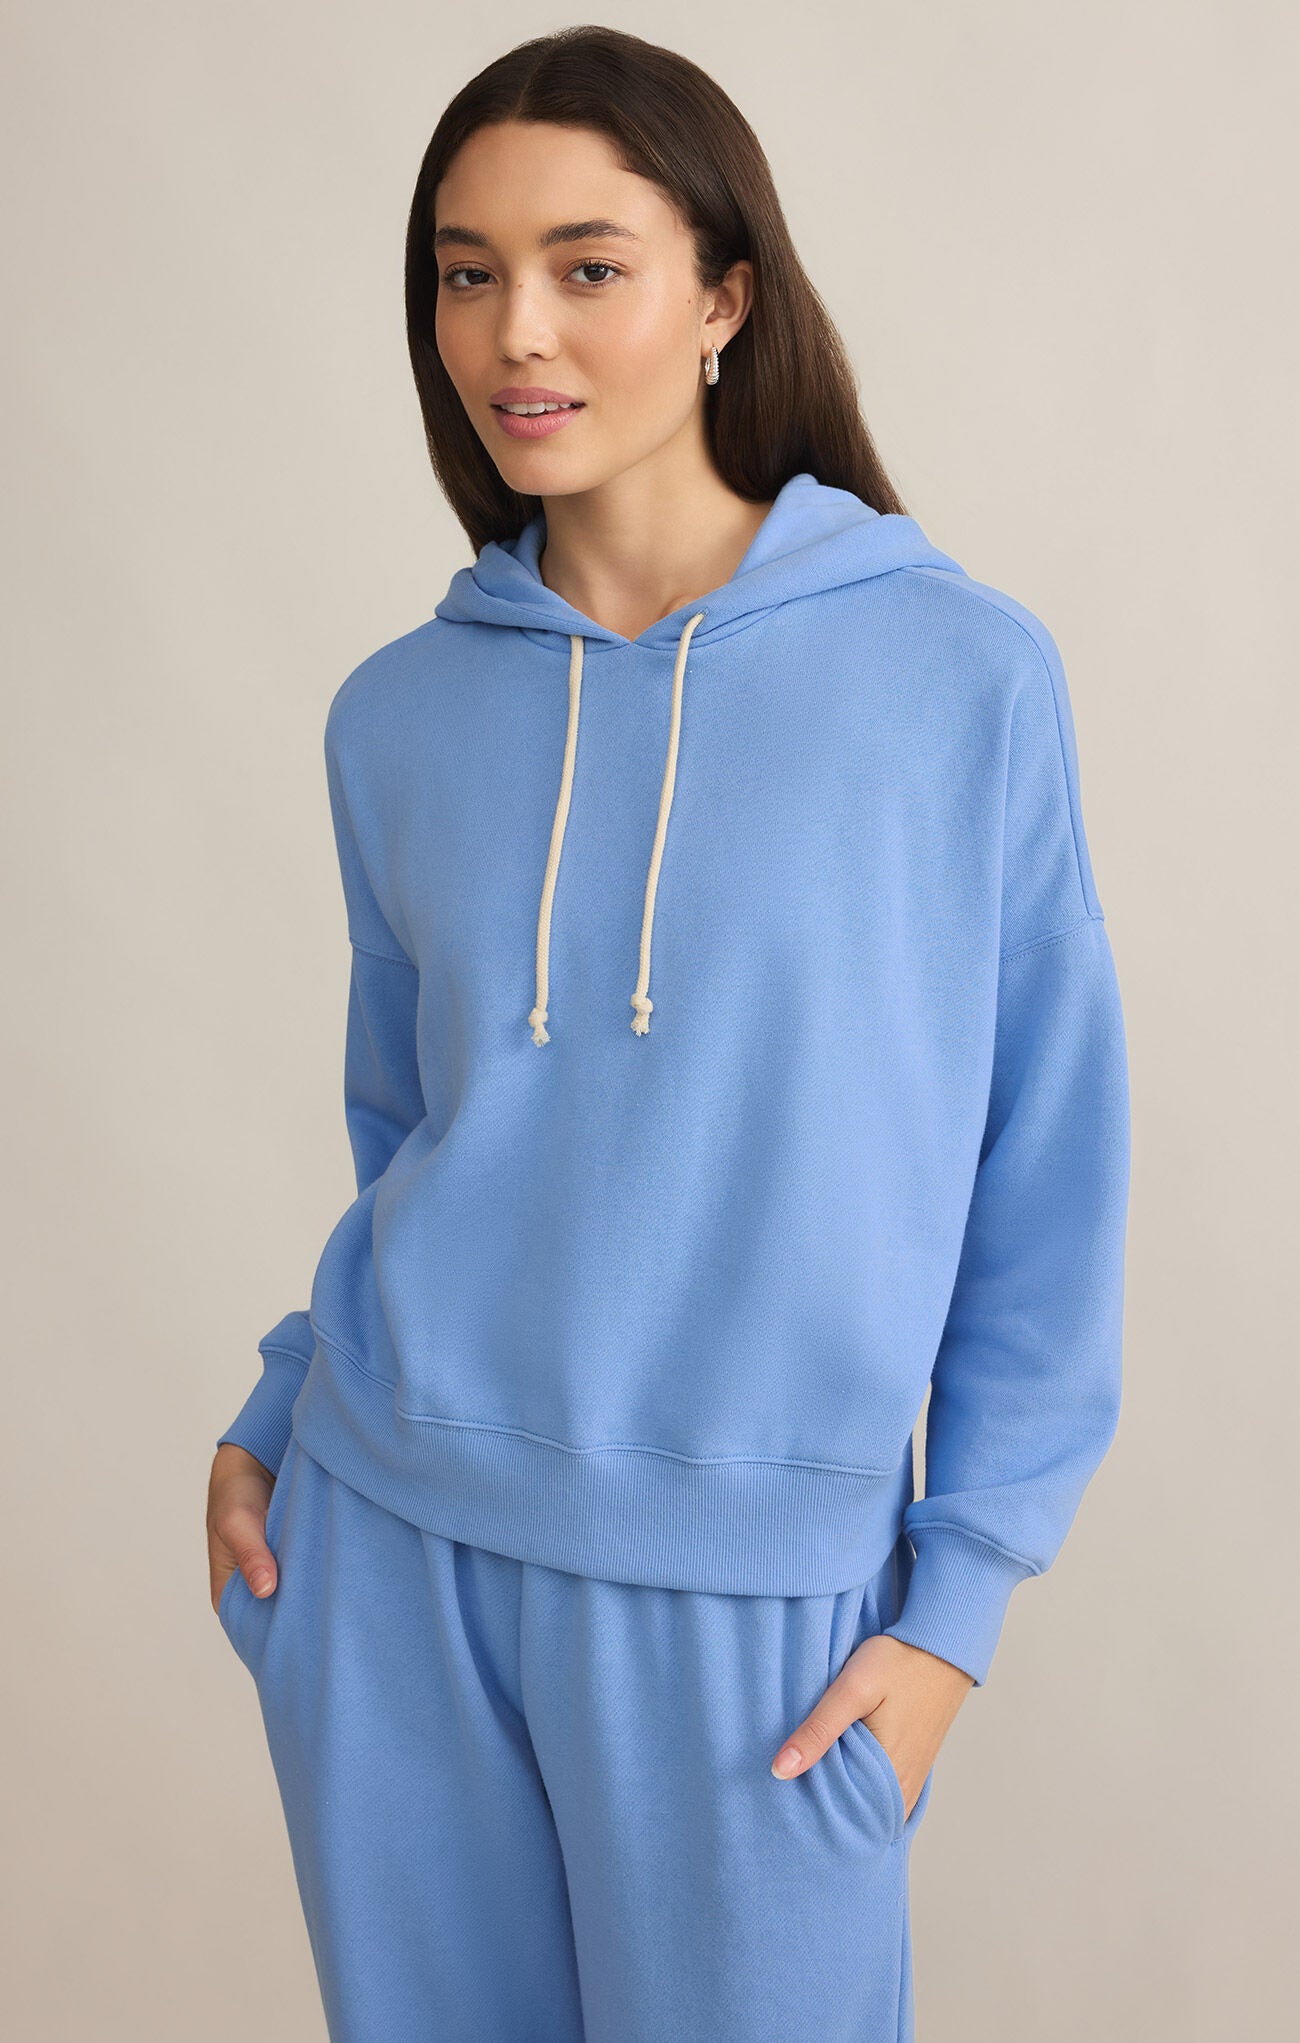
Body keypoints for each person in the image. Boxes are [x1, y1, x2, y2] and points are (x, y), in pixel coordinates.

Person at [206, 26, 1131, 2043]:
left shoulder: (954, 678)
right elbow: (416, 1128)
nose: (513, 332)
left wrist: (957, 1606)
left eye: (587, 265)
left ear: (725, 298)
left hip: (759, 1616)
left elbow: (1043, 1172)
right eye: (466, 272)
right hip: (388, 1553)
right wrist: (284, 1405)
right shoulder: (398, 712)